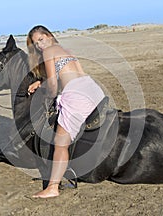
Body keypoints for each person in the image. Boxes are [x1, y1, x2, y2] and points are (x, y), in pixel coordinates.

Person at [27, 25, 105, 198]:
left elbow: (54, 85)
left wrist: (47, 93)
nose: (40, 45)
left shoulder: (48, 52)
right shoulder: (66, 50)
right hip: (92, 88)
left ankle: (53, 187)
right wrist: (41, 82)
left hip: (77, 94)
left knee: (60, 142)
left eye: (41, 39)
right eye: (35, 43)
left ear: (49, 36)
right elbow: (67, 74)